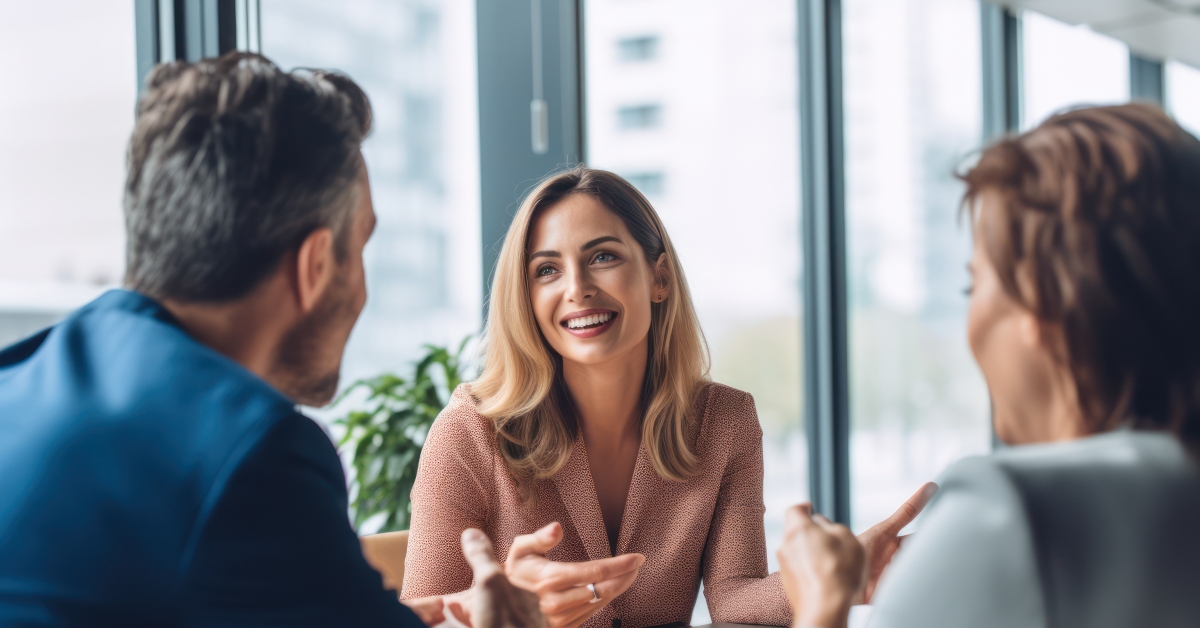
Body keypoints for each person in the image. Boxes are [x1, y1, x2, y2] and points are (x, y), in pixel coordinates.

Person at [0, 52, 542, 628]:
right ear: (313, 266)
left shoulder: (19, 379)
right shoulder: (253, 456)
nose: (362, 290)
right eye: (359, 249)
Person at [401, 167, 935, 628]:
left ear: (658, 277)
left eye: (603, 257)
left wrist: (837, 577)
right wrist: (505, 609)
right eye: (547, 270)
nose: (576, 288)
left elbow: (734, 599)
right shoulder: (472, 428)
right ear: (526, 295)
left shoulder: (725, 420)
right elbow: (417, 615)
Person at [775, 103, 1200, 628]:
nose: (969, 320)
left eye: (974, 284)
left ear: (1042, 301)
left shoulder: (1011, 513)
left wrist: (820, 604)